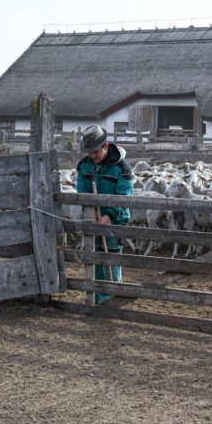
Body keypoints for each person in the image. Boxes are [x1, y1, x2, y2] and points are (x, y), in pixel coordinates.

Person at [75, 125, 133, 304]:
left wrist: (109, 216)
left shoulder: (122, 168)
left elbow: (123, 196)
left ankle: (111, 298)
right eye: (89, 152)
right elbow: (82, 191)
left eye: (95, 152)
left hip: (115, 219)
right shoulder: (84, 165)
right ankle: (96, 297)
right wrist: (89, 210)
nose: (92, 156)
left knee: (111, 258)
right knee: (95, 256)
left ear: (106, 146)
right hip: (93, 217)